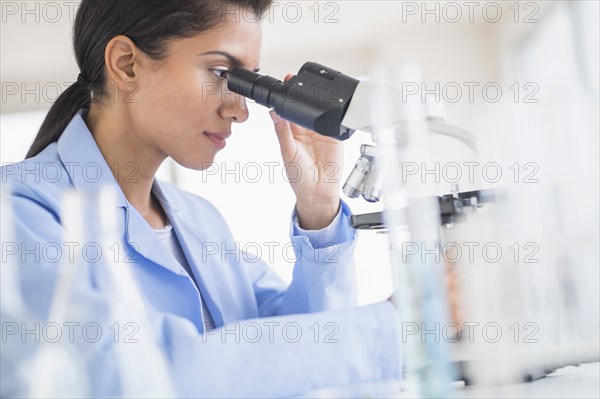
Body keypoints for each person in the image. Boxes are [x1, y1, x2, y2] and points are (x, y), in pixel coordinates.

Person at [0, 1, 402, 397]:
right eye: (222, 73)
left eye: (248, 82)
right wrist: (390, 327)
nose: (240, 110)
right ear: (126, 64)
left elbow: (311, 360)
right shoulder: (17, 208)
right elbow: (123, 372)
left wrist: (320, 210)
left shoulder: (200, 220)